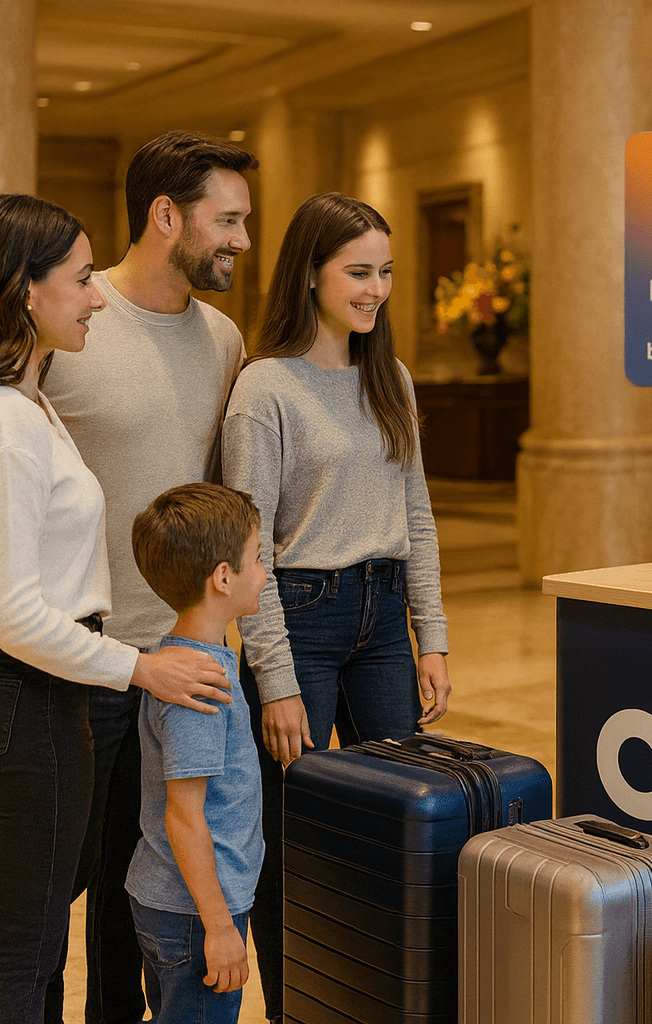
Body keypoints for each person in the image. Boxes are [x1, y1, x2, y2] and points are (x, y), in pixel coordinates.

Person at [0, 130, 257, 1024]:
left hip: (173, 659)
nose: (244, 239)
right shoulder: (57, 340)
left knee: (144, 899)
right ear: (167, 216)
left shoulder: (222, 339)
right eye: (230, 218)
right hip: (79, 667)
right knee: (38, 928)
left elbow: (228, 513)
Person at [222, 192, 453, 1023]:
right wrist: (275, 678)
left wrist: (433, 635)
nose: (376, 289)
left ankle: (383, 998)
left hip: (384, 618)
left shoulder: (390, 378)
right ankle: (301, 1008)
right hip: (301, 619)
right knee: (293, 841)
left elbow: (416, 515)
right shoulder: (265, 389)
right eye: (358, 272)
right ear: (310, 274)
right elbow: (248, 547)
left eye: (385, 272)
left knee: (406, 818)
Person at [126, 483, 267, 1024]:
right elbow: (184, 816)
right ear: (223, 578)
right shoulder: (198, 684)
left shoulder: (182, 658)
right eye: (257, 557)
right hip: (194, 911)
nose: (266, 571)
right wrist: (219, 927)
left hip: (174, 902)